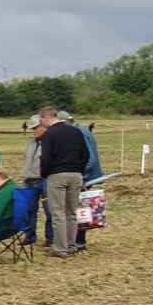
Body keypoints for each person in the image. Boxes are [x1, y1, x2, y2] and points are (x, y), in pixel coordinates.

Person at [37, 106, 89, 257]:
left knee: (58, 212)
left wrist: (44, 174)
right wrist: (79, 169)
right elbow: (85, 154)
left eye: (41, 119)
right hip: (76, 174)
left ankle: (60, 248)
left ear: (47, 117)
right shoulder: (75, 131)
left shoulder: (49, 134)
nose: (41, 123)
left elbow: (46, 158)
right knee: (71, 212)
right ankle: (72, 245)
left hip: (57, 175)